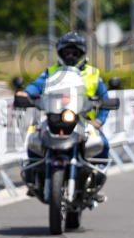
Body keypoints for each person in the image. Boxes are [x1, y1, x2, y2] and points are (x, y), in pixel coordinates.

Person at [16, 32, 111, 200]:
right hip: (54, 116)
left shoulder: (93, 74)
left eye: (75, 52)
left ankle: (96, 182)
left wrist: (98, 120)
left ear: (82, 54)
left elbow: (105, 100)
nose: (70, 55)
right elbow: (36, 85)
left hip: (82, 120)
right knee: (34, 138)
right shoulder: (51, 72)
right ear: (60, 53)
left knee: (101, 142)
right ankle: (34, 177)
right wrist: (25, 93)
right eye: (66, 52)